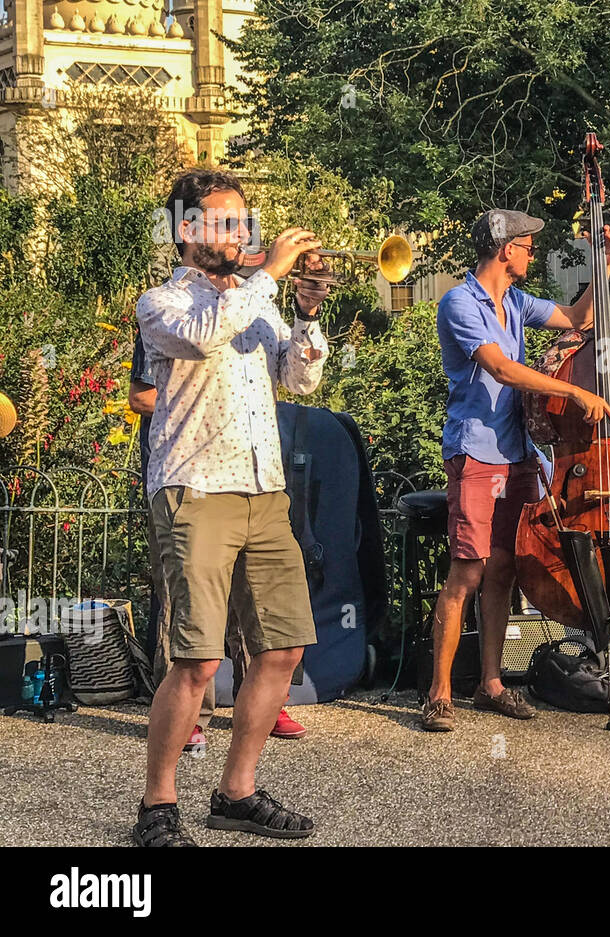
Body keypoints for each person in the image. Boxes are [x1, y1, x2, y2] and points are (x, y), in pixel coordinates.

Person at [132, 168, 329, 847]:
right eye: (225, 223)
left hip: (262, 488)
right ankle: (157, 806)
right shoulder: (160, 302)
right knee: (196, 661)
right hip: (195, 489)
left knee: (283, 646)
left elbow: (300, 377)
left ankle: (235, 790)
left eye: (244, 222)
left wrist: (306, 314)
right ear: (188, 231)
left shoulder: (259, 301)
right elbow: (206, 336)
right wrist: (270, 274)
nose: (240, 234)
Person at [423, 209, 610, 732]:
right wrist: (574, 391)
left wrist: (605, 264)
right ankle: (438, 692)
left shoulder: (515, 300)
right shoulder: (460, 302)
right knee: (468, 570)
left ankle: (490, 684)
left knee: (504, 570)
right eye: (528, 245)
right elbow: (502, 369)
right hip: (476, 451)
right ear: (504, 249)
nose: (533, 252)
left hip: (518, 453)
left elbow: (579, 320)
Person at [130, 341, 308, 751]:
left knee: (263, 619)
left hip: (250, 482)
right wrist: (207, 409)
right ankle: (192, 717)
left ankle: (265, 701)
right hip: (188, 478)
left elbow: (295, 381)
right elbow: (141, 397)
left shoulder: (256, 314)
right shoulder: (172, 311)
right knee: (187, 616)